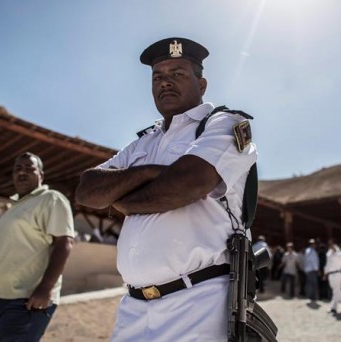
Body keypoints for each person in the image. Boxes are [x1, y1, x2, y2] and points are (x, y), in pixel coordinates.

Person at [75, 37, 257, 340]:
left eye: (177, 74)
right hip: (133, 307)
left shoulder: (225, 124)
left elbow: (187, 184)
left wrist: (123, 199)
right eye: (158, 76)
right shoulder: (144, 142)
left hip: (199, 301)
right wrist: (148, 171)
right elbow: (87, 191)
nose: (165, 83)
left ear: (202, 84)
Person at [0, 152, 75, 341]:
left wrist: (46, 287)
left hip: (27, 300)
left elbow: (64, 243)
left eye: (29, 168)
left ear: (41, 175)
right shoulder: (15, 207)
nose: (22, 172)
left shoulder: (51, 198)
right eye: (18, 168)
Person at [323, 239, 341, 313]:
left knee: (337, 290)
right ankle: (334, 307)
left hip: (338, 274)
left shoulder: (340, 254)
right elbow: (327, 266)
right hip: (330, 274)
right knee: (336, 291)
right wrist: (325, 274)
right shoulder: (329, 255)